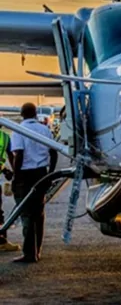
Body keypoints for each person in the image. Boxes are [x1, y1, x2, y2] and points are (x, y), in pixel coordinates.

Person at [10, 103, 57, 263]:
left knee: (26, 213)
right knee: (39, 213)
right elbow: (53, 152)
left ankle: (29, 252)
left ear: (21, 114)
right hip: (41, 173)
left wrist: (16, 178)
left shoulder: (19, 130)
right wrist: (51, 173)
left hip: (26, 174)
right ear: (35, 114)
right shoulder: (45, 129)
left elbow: (19, 155)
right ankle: (37, 250)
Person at [0, 127, 20, 252]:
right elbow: (12, 157)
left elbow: (11, 156)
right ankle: (2, 241)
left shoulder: (5, 137)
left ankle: (2, 240)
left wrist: (9, 171)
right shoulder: (5, 137)